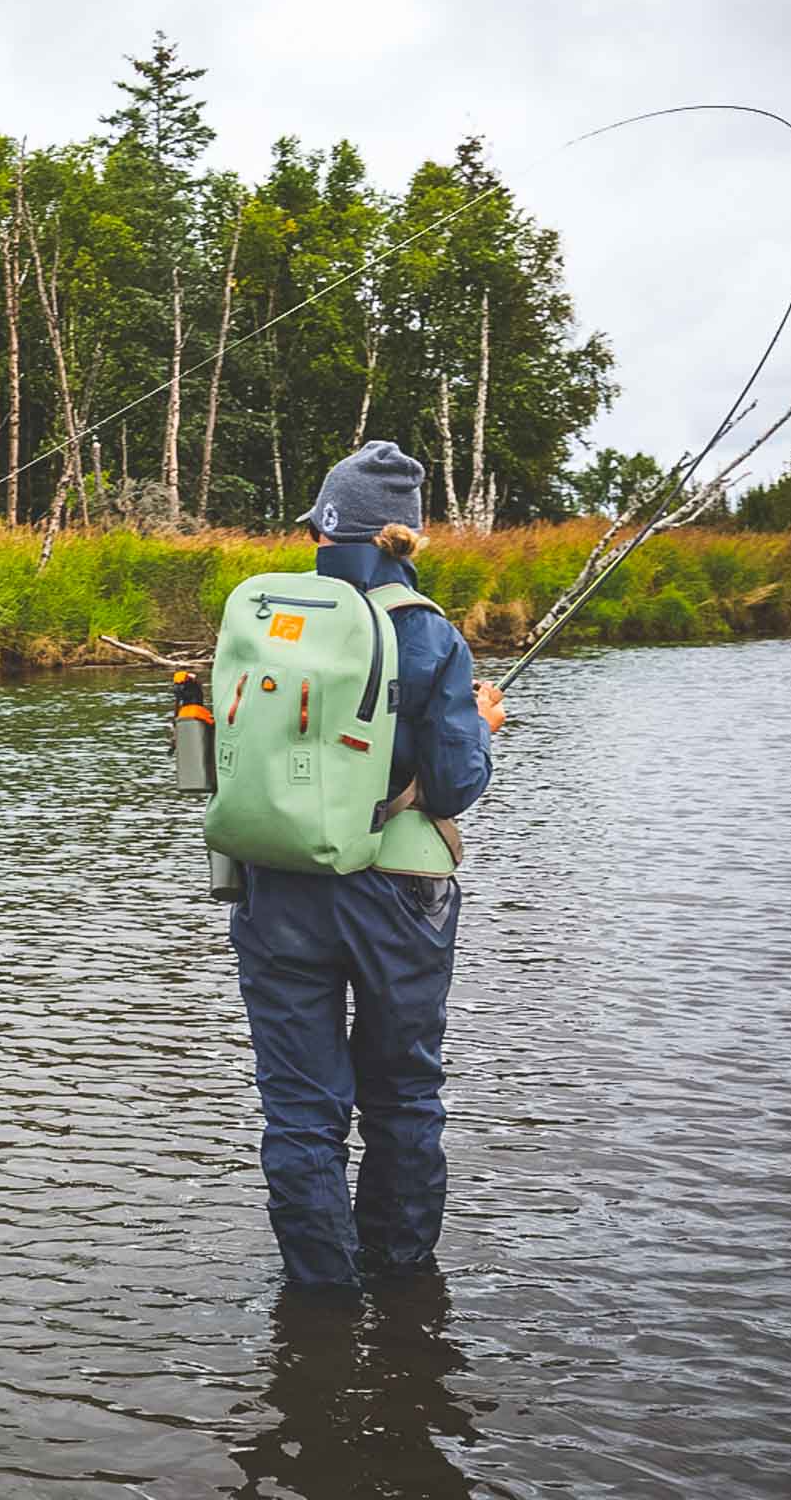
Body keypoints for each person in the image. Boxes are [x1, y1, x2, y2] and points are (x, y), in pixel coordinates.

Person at [229, 439, 505, 1291]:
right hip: (397, 895)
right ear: (407, 539)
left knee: (301, 1111)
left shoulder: (270, 617)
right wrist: (482, 724)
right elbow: (454, 787)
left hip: (275, 885)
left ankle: (321, 1304)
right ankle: (401, 1285)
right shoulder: (428, 634)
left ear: (323, 529)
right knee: (402, 1098)